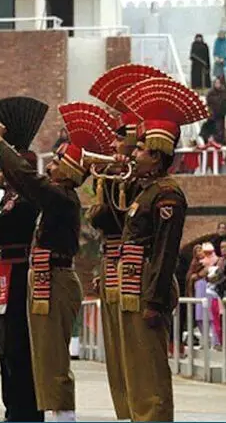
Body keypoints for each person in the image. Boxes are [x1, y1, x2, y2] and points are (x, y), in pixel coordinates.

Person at [0, 101, 116, 422]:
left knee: (53, 358)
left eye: (57, 162)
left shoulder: (60, 197)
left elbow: (27, 178)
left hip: (56, 281)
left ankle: (63, 417)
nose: (51, 166)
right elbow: (26, 181)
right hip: (47, 279)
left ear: (69, 171)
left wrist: (0, 143)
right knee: (43, 356)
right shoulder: (57, 198)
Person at [115, 76, 208, 421]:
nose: (134, 153)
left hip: (147, 287)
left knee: (150, 369)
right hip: (133, 285)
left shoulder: (168, 194)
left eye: (140, 149)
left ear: (156, 155)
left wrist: (154, 301)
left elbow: (166, 251)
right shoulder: (146, 190)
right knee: (135, 368)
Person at [86, 64, 158, 421]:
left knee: (139, 361)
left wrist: (114, 178)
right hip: (116, 267)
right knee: (118, 357)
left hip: (136, 275)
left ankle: (140, 414)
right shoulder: (123, 177)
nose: (113, 146)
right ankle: (127, 414)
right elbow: (101, 218)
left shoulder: (152, 188)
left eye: (121, 140)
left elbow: (110, 218)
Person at [0, 96, 47, 422]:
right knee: (4, 348)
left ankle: (25, 412)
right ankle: (13, 410)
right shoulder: (10, 201)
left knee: (19, 349)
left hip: (19, 280)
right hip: (2, 278)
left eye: (0, 169)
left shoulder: (28, 200)